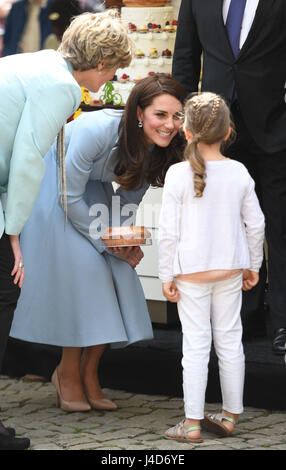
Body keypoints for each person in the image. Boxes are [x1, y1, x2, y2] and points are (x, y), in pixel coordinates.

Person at [10, 75, 187, 413]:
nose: (170, 125)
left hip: (93, 198)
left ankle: (89, 374)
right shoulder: (97, 130)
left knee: (117, 276)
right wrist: (105, 241)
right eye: (161, 115)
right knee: (89, 278)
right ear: (139, 111)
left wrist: (122, 241)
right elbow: (68, 193)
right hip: (53, 195)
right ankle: (67, 373)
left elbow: (128, 201)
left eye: (177, 116)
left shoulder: (157, 145)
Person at [0, 9, 132, 450]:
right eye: (114, 66)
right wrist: (13, 234)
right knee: (4, 297)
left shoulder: (39, 62)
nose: (114, 75)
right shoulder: (60, 86)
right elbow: (25, 162)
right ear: (99, 63)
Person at [172, 0, 286, 351]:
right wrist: (186, 125)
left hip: (275, 129)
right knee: (227, 225)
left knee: (279, 227)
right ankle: (243, 317)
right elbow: (186, 58)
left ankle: (282, 323)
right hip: (215, 133)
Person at [158, 92, 265, 443]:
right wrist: (253, 265)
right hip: (229, 270)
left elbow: (168, 232)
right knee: (231, 339)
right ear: (228, 131)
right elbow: (257, 224)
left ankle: (190, 423)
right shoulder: (239, 172)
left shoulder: (176, 174)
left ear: (185, 131)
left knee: (196, 346)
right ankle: (231, 415)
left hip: (190, 273)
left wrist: (165, 275)